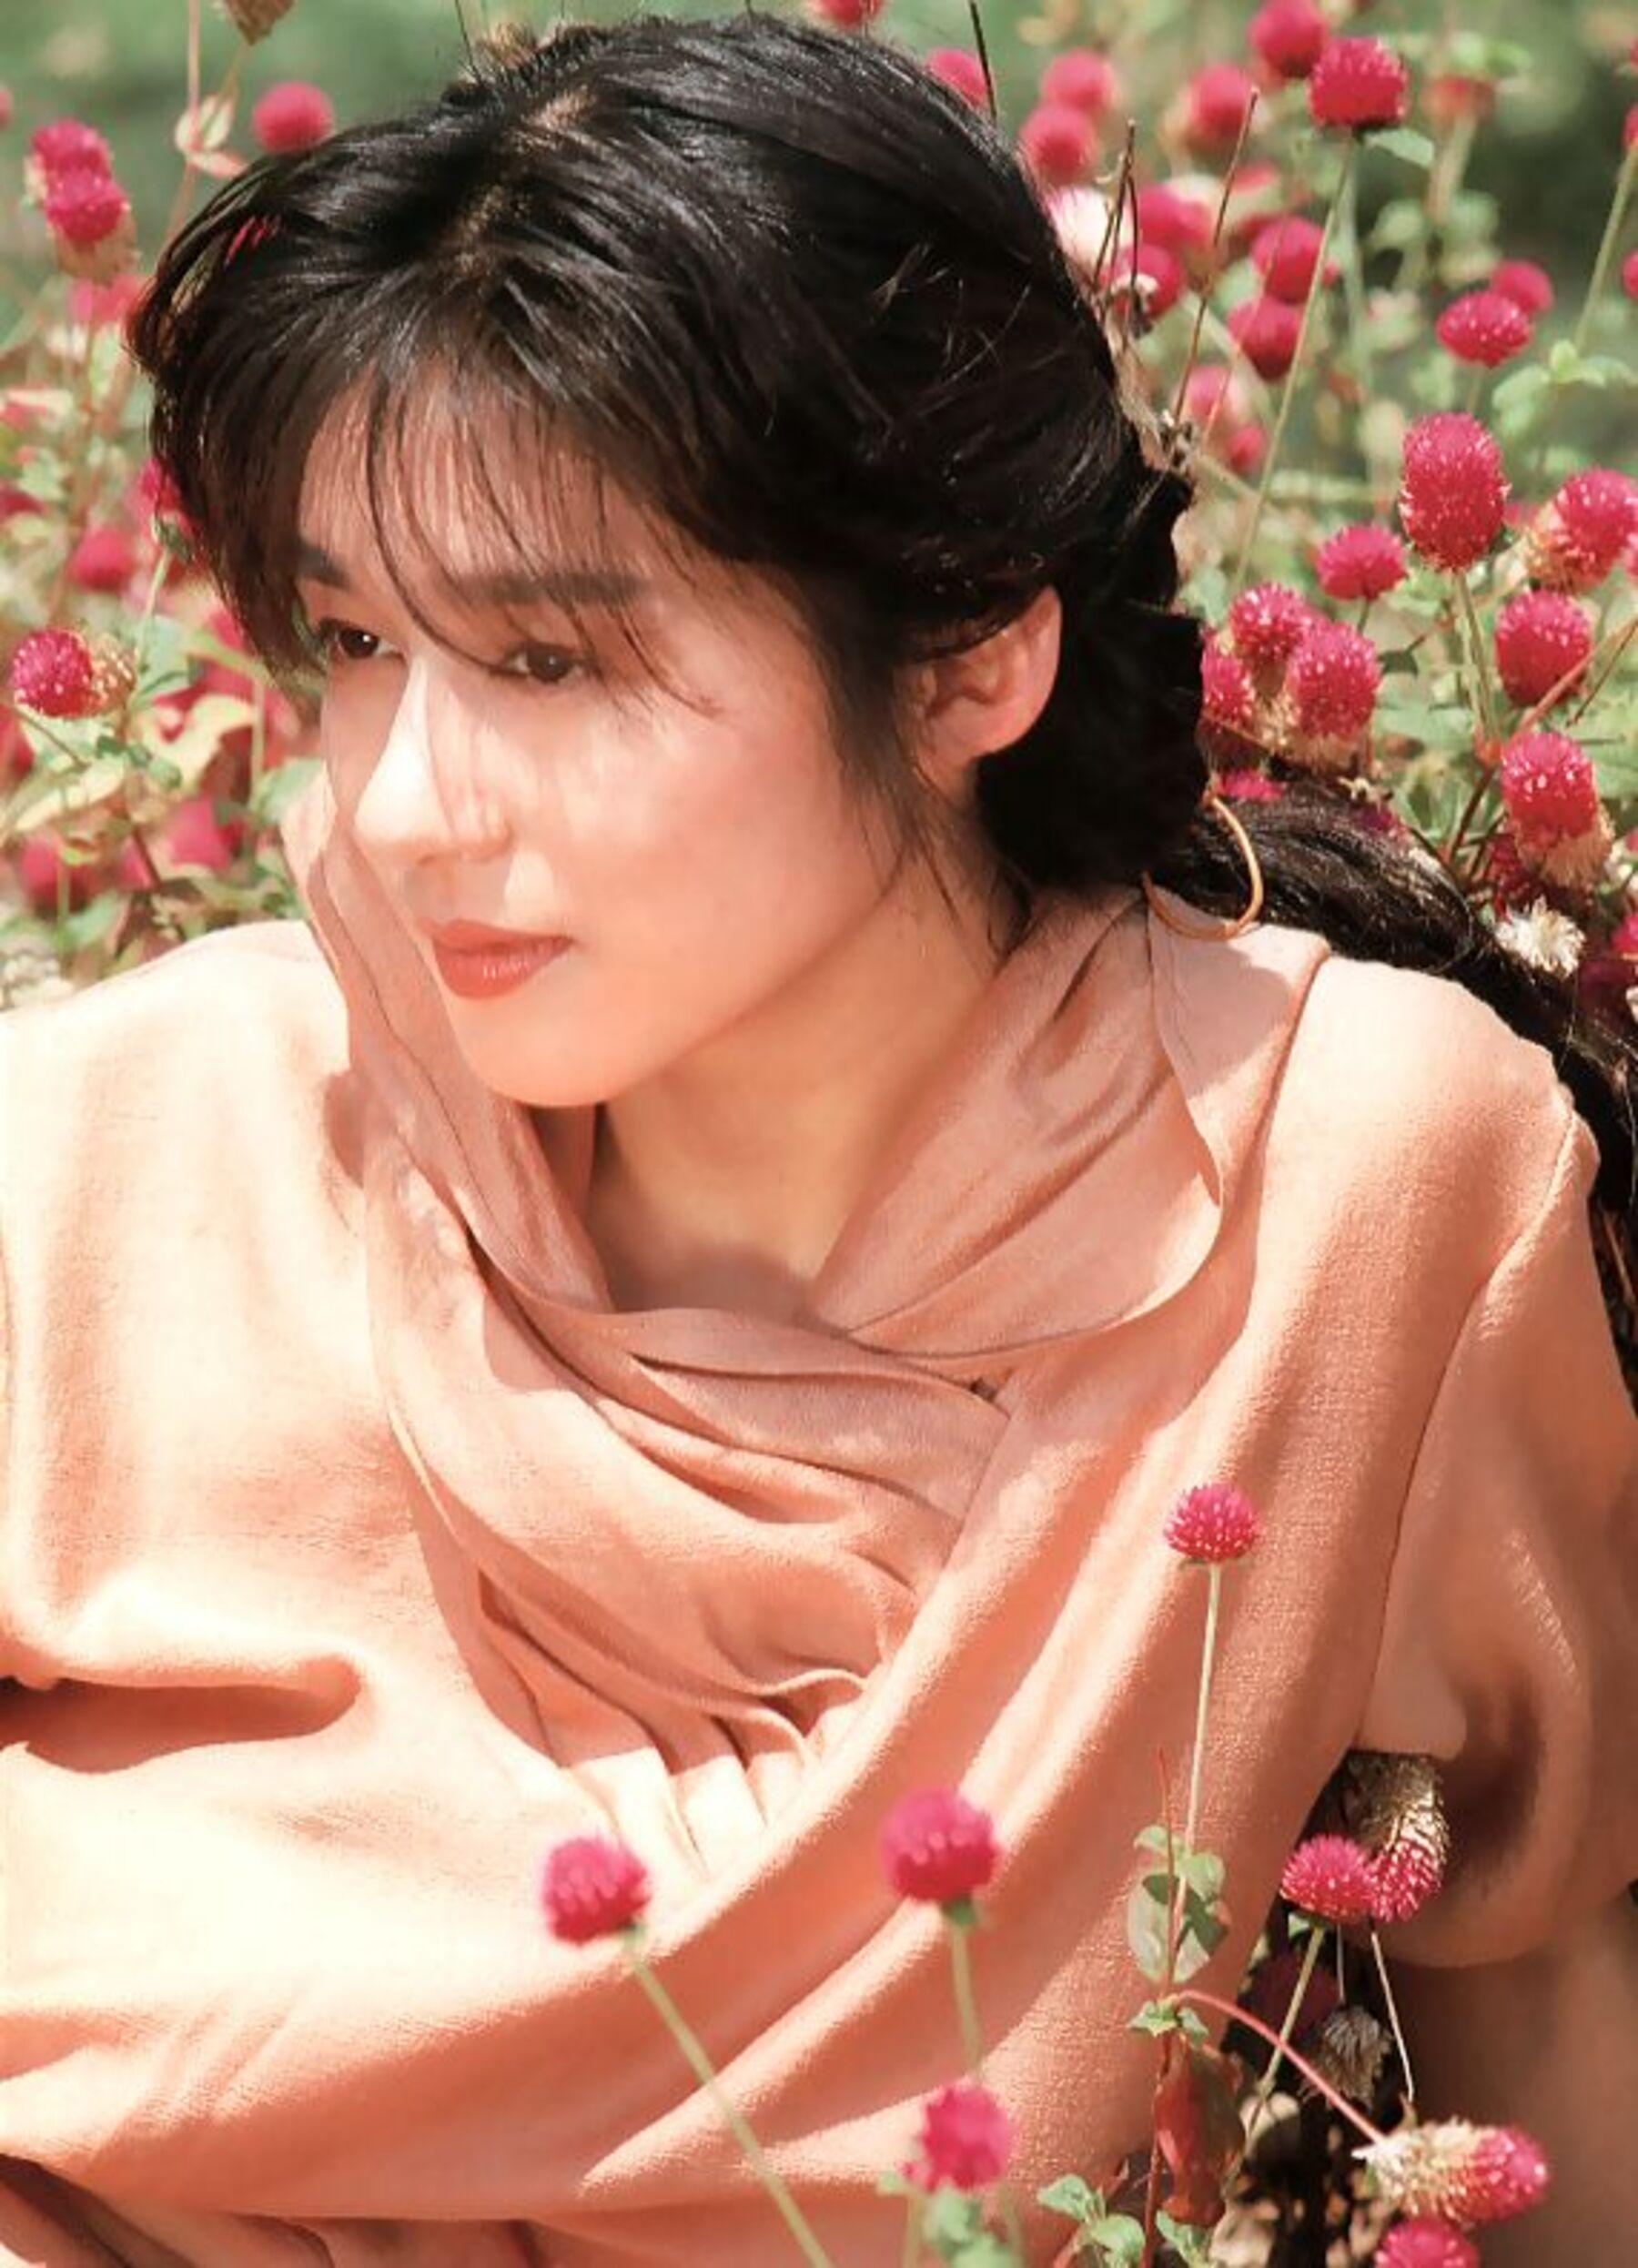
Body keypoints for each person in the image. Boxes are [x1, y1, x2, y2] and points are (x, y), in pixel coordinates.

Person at [2, 13, 1634, 2264]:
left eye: (549, 663)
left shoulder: (1349, 1188)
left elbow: (1526, 1997)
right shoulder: (134, 1147)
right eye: (356, 642)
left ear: (971, 656)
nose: (400, 805)